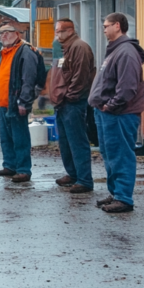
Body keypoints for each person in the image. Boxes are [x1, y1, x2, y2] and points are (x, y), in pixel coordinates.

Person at [88, 13, 144, 212]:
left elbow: (127, 88)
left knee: (121, 154)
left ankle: (124, 198)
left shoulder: (126, 52)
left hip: (120, 114)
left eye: (106, 26)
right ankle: (115, 193)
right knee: (110, 154)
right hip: (107, 113)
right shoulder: (115, 50)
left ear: (118, 26)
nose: (104, 29)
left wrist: (110, 105)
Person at [51, 18, 97, 193]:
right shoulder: (62, 49)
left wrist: (70, 96)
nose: (57, 34)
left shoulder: (79, 47)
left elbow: (81, 77)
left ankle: (84, 179)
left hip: (73, 103)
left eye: (60, 31)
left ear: (70, 31)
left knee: (77, 141)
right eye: (56, 31)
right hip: (62, 103)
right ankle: (73, 174)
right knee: (65, 141)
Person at [0, 23, 39, 183]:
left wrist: (24, 102)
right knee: (6, 137)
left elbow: (29, 79)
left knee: (20, 137)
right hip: (3, 103)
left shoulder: (25, 52)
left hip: (16, 102)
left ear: (17, 34)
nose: (4, 36)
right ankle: (10, 166)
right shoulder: (5, 52)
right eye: (1, 33)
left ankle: (23, 169)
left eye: (8, 32)